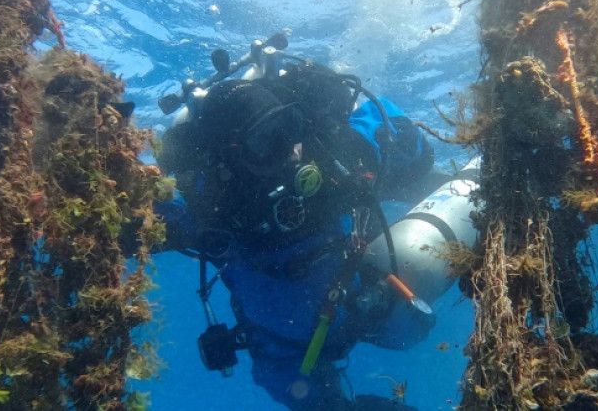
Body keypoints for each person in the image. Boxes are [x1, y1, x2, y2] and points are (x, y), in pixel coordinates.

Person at [152, 44, 466, 411]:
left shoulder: (334, 157)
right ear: (234, 157)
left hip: (360, 306)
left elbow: (408, 140)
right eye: (266, 139)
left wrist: (354, 144)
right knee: (307, 397)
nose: (291, 150)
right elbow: (142, 221)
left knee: (410, 331)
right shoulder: (215, 212)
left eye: (290, 126)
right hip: (287, 353)